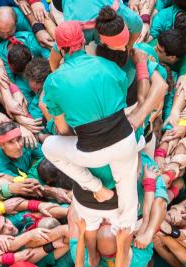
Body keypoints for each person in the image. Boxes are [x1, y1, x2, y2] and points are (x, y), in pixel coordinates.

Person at [41, 21, 143, 233]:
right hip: (125, 141)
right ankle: (126, 229)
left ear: (61, 49)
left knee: (48, 147)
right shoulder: (108, 66)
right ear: (83, 42)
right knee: (128, 191)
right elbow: (120, 97)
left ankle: (97, 188)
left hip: (91, 150)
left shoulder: (54, 81)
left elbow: (62, 129)